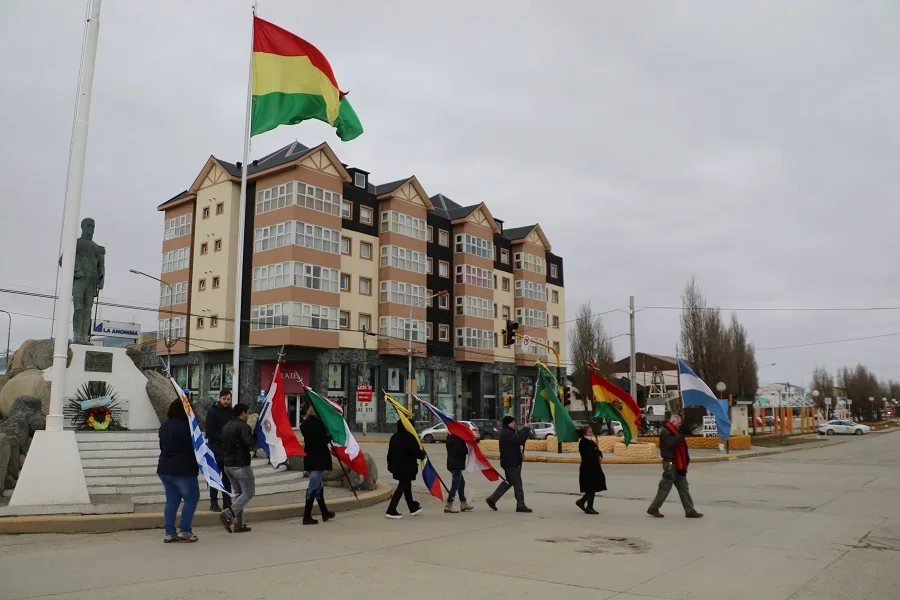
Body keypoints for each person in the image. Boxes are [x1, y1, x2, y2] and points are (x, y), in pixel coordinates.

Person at [156, 399, 200, 543]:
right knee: (191, 498)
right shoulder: (187, 426)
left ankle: (170, 532)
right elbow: (193, 447)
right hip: (183, 468)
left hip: (164, 467)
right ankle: (185, 531)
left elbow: (162, 446)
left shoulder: (164, 426)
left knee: (171, 501)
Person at [647, 414, 703, 519]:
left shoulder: (676, 432)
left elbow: (682, 447)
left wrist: (686, 459)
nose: (679, 425)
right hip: (670, 463)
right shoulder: (666, 432)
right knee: (665, 486)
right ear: (673, 421)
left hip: (679, 464)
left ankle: (690, 510)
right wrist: (680, 435)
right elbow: (671, 444)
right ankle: (653, 508)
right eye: (678, 423)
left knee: (683, 487)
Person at [219, 403, 258, 533]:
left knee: (239, 494)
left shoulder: (226, 426)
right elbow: (249, 443)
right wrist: (256, 436)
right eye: (247, 413)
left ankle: (238, 524)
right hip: (241, 465)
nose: (248, 415)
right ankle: (228, 514)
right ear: (242, 413)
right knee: (248, 492)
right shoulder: (243, 426)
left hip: (228, 465)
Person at [485, 416, 532, 513]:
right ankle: (521, 505)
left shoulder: (508, 432)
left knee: (509, 481)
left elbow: (515, 443)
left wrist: (519, 455)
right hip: (511, 463)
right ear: (508, 423)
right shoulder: (507, 433)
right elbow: (520, 440)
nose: (514, 424)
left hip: (509, 461)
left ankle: (492, 499)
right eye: (513, 422)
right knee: (517, 484)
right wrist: (526, 428)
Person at [299, 405, 334, 525]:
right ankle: (306, 516)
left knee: (318, 486)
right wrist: (329, 437)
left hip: (309, 458)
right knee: (313, 486)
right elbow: (322, 440)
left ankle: (324, 512)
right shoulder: (319, 425)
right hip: (318, 458)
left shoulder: (304, 425)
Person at [385, 420, 426, 519]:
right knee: (402, 487)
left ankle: (412, 507)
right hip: (407, 468)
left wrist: (390, 466)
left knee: (407, 486)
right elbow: (418, 453)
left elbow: (389, 454)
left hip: (396, 467)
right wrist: (423, 453)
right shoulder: (410, 438)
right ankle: (391, 510)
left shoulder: (394, 437)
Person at [205, 388, 232, 512]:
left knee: (227, 478)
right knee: (215, 477)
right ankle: (213, 502)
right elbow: (210, 431)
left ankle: (227, 502)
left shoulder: (231, 412)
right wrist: (223, 437)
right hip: (216, 449)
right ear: (219, 398)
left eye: (228, 399)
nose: (226, 401)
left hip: (228, 451)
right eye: (224, 399)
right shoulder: (212, 412)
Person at [576, 426, 606, 514]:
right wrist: (596, 448)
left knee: (593, 487)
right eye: (589, 432)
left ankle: (582, 502)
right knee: (591, 487)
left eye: (591, 431)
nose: (591, 433)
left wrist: (600, 455)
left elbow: (597, 451)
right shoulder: (583, 442)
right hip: (588, 468)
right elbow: (589, 454)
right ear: (585, 433)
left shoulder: (590, 441)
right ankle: (588, 506)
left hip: (594, 467)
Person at [444, 430, 472, 513]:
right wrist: (466, 449)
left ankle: (463, 503)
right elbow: (459, 449)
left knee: (461, 483)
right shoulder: (456, 438)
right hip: (456, 464)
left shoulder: (450, 436)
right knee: (455, 484)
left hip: (453, 463)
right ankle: (449, 504)